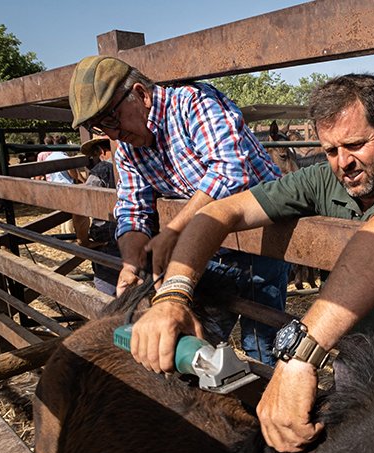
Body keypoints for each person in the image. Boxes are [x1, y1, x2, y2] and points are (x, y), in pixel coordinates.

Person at [128, 73, 374, 453]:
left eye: (357, 144)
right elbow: (219, 213)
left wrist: (304, 354)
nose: (343, 163)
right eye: (330, 151)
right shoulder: (320, 180)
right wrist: (173, 295)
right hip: (356, 360)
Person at [68, 55, 289, 364]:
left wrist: (174, 229)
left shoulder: (193, 103)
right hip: (208, 246)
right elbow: (132, 209)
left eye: (111, 119)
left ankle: (264, 399)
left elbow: (230, 172)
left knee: (262, 342)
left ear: (142, 95)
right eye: (101, 126)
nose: (113, 134)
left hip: (260, 237)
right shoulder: (129, 150)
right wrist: (131, 263)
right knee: (197, 341)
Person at [76, 135, 119, 295]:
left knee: (107, 288)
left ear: (101, 150)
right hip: (138, 235)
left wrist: (83, 240)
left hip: (108, 239)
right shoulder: (134, 165)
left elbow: (82, 206)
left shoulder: (101, 170)